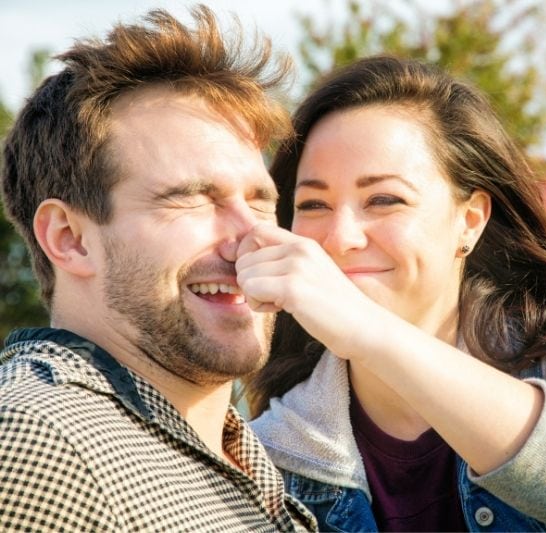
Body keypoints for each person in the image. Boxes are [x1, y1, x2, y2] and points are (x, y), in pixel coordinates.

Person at [237, 55, 546, 532]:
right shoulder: (274, 450)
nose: (341, 237)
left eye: (384, 199)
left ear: (469, 220)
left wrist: (371, 334)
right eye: (313, 204)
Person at [0, 6, 315, 531]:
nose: (251, 238)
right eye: (192, 198)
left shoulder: (253, 451)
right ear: (69, 239)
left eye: (261, 201)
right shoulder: (38, 439)